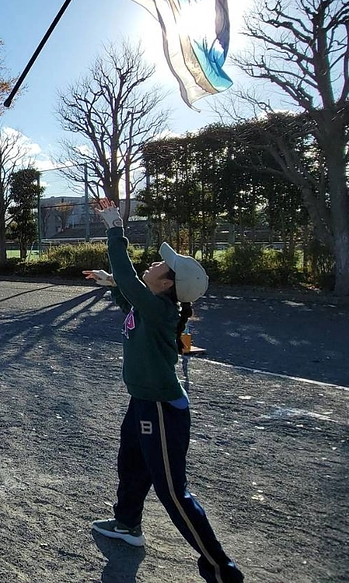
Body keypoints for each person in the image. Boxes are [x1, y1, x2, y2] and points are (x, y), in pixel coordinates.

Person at [83, 200, 243, 583]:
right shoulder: (153, 306)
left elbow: (128, 276)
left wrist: (114, 228)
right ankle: (126, 524)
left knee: (173, 492)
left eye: (161, 265)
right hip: (143, 401)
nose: (154, 264)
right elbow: (130, 300)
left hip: (161, 409)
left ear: (168, 283)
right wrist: (113, 284)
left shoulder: (160, 309)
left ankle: (221, 570)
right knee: (131, 464)